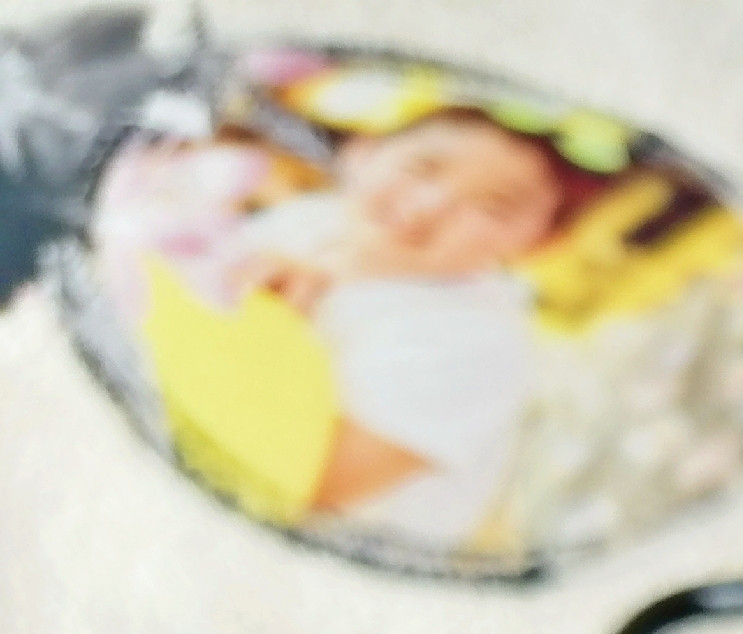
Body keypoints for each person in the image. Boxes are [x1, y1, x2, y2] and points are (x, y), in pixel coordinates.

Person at [231, 107, 585, 548]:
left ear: (537, 243)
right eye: (421, 168)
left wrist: (271, 325)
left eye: (494, 208)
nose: (428, 205)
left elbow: (304, 484)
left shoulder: (476, 347)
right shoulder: (312, 221)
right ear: (363, 153)